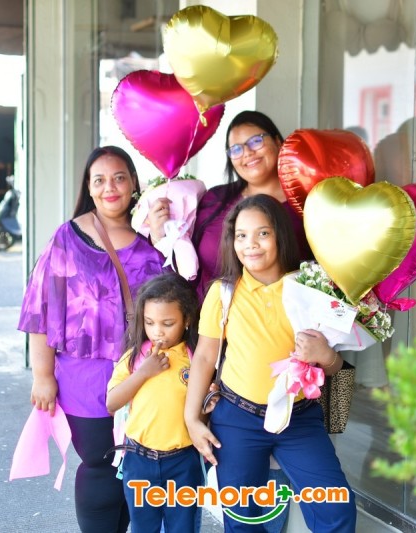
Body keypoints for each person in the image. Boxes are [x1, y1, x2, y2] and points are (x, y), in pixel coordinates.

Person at [184, 195, 356, 532]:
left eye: (262, 233)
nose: (251, 244)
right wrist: (192, 418)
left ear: (280, 235)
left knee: (336, 508)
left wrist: (326, 356)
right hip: (236, 419)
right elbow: (204, 356)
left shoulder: (311, 289)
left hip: (299, 419)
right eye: (241, 235)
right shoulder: (223, 293)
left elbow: (337, 371)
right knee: (242, 519)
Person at [18, 146, 166, 533]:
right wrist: (42, 376)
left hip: (147, 373)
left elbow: (181, 300)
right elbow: (41, 309)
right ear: (88, 187)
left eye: (119, 178)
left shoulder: (152, 238)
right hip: (85, 377)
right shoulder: (69, 238)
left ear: (133, 183)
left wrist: (165, 237)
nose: (109, 187)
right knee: (100, 462)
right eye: (99, 180)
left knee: (135, 465)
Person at [147, 110, 311, 302]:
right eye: (236, 149)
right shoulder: (214, 200)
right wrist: (159, 236)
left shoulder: (306, 204)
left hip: (277, 315)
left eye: (256, 141)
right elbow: (183, 261)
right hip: (208, 316)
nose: (247, 153)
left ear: (278, 141)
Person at [106, 273, 202, 533]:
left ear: (187, 320)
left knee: (182, 528)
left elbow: (201, 410)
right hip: (139, 460)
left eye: (168, 323)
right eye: (149, 322)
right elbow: (112, 403)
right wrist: (143, 373)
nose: (157, 331)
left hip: (183, 462)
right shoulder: (135, 357)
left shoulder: (195, 359)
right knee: (142, 528)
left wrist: (210, 401)